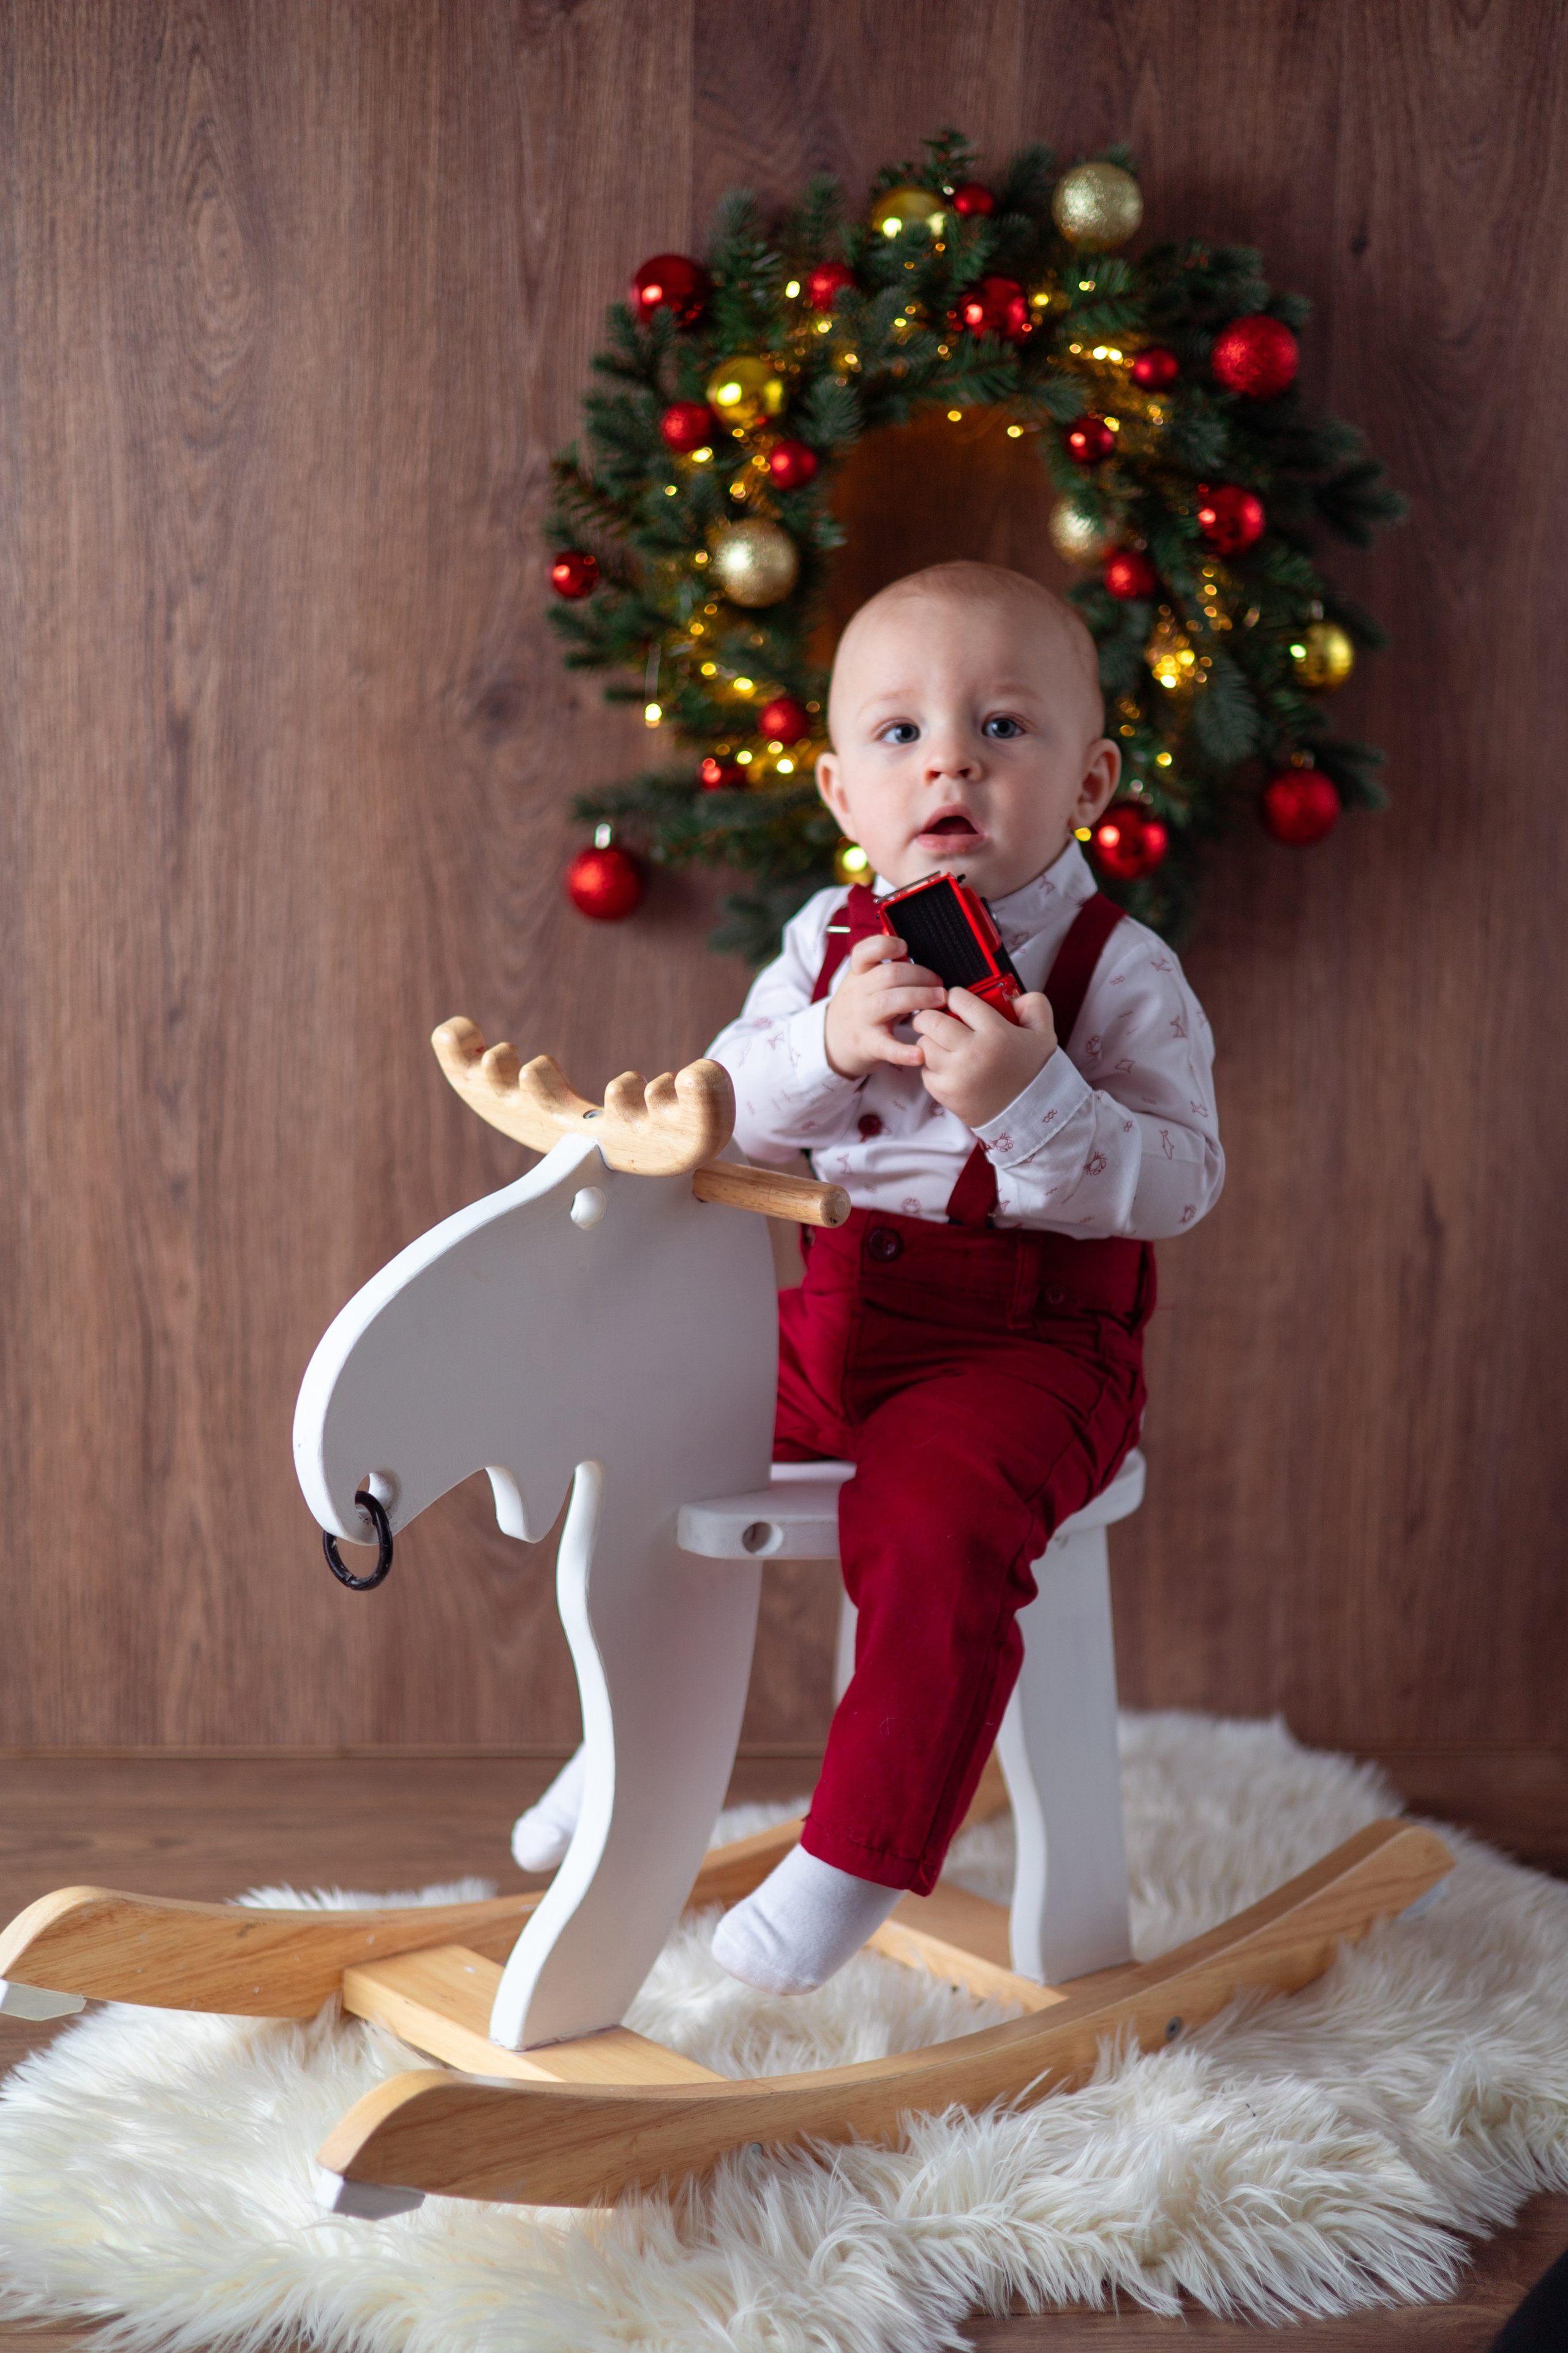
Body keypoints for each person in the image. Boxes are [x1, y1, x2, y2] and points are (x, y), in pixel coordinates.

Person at [512, 560, 1224, 1995]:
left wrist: (1033, 1100)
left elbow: (1180, 1181)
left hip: (1027, 1353)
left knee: (935, 1526)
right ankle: (620, 1747)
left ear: (1087, 779)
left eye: (1001, 728)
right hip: (836, 1317)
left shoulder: (1117, 970)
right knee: (644, 1447)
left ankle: (857, 1854)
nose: (949, 756)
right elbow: (716, 1109)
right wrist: (825, 1046)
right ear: (842, 796)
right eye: (899, 735)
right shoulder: (820, 946)